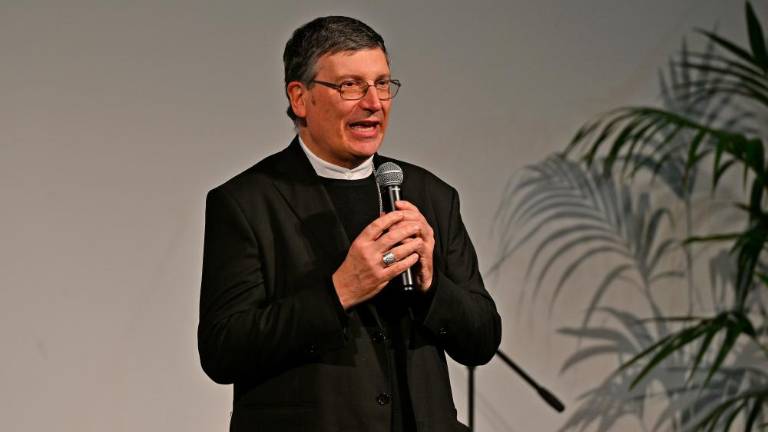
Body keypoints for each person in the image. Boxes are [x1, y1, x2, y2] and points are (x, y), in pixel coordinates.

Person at [198, 16, 501, 432]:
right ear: (300, 98)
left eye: (382, 84)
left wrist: (432, 287)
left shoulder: (430, 195)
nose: (374, 102)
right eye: (350, 86)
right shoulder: (247, 202)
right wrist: (339, 292)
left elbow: (483, 340)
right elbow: (222, 350)